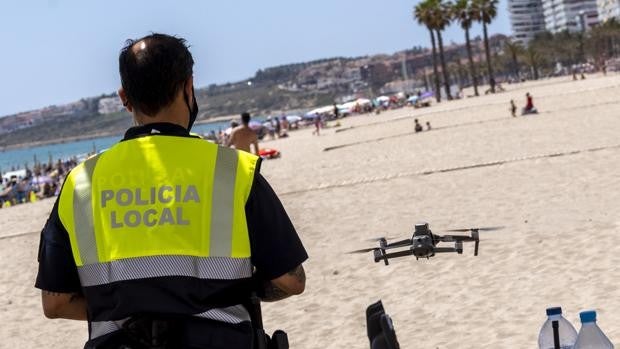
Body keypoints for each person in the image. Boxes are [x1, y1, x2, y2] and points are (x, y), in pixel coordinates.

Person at [35, 33, 307, 349]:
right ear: (188, 87)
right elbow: (291, 280)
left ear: (124, 97)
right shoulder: (232, 171)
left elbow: (54, 304)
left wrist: (124, 308)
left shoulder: (80, 182)